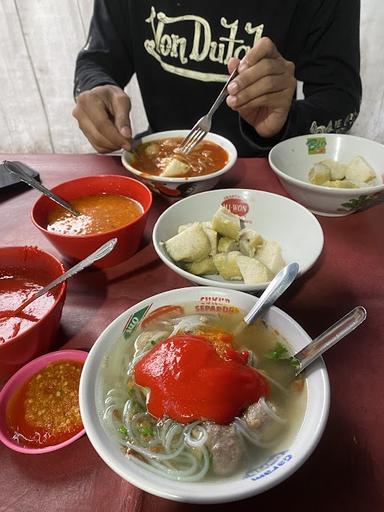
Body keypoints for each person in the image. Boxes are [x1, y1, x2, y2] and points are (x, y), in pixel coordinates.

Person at [73, 0, 362, 157]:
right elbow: (97, 58)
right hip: (159, 169)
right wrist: (96, 88)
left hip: (270, 172)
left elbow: (340, 98)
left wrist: (285, 121)